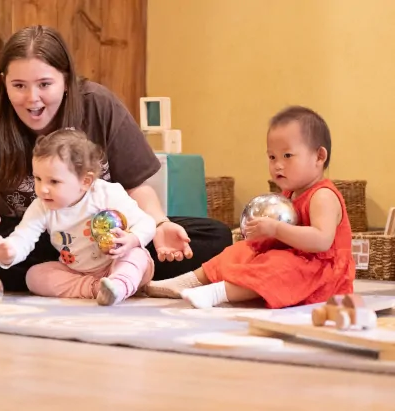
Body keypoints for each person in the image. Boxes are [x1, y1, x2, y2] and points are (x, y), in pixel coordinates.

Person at [0, 24, 232, 292]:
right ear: (4, 82)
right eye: (19, 86)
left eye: (45, 84)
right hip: (37, 236)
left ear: (67, 80)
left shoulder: (98, 104)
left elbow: (137, 186)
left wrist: (159, 225)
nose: (32, 99)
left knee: (215, 236)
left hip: (109, 239)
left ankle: (113, 274)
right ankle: (110, 282)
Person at [145, 106, 355, 309]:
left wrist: (275, 230)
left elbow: (321, 240)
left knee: (279, 267)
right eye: (272, 157)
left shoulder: (323, 196)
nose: (278, 165)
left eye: (287, 156)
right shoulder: (291, 194)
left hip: (322, 273)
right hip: (292, 256)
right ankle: (185, 282)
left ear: (319, 156)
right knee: (240, 251)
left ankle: (217, 293)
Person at [0, 129, 156, 305]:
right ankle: (97, 289)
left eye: (54, 181)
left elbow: (147, 223)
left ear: (85, 182)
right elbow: (24, 236)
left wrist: (133, 239)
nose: (43, 189)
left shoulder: (106, 194)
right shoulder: (42, 206)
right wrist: (9, 252)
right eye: (38, 178)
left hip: (116, 263)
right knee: (34, 276)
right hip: (76, 271)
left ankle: (120, 285)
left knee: (137, 255)